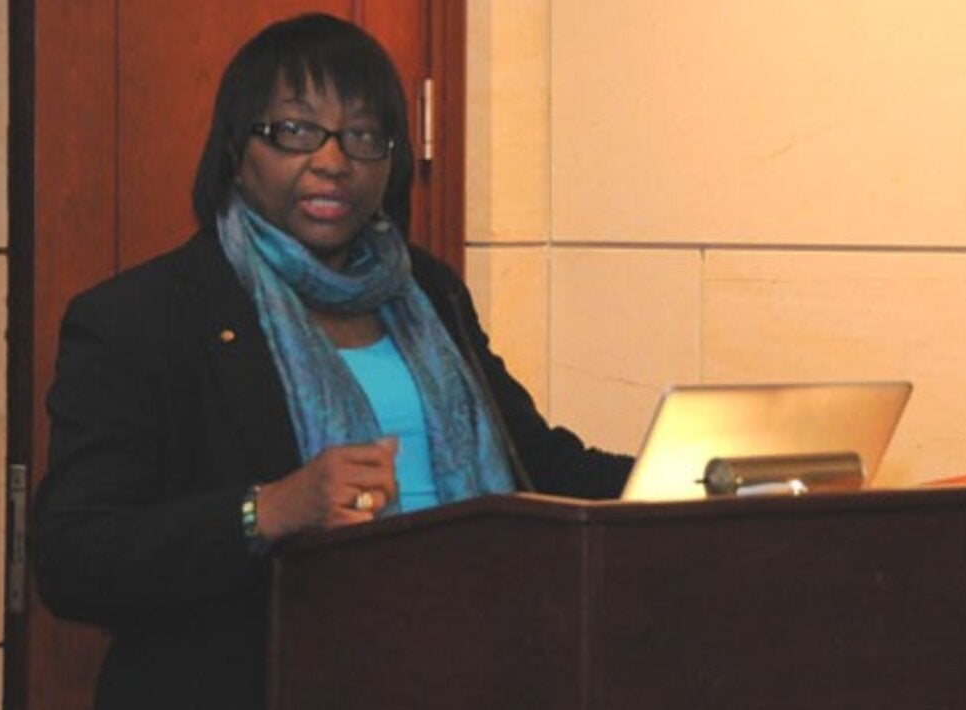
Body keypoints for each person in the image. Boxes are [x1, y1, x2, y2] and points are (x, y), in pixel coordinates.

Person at [33, 13, 632, 709]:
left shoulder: (428, 293)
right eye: (294, 129)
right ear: (236, 148)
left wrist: (702, 473)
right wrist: (269, 510)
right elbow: (74, 557)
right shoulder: (145, 316)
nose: (332, 159)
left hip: (462, 670)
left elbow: (537, 466)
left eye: (363, 135)